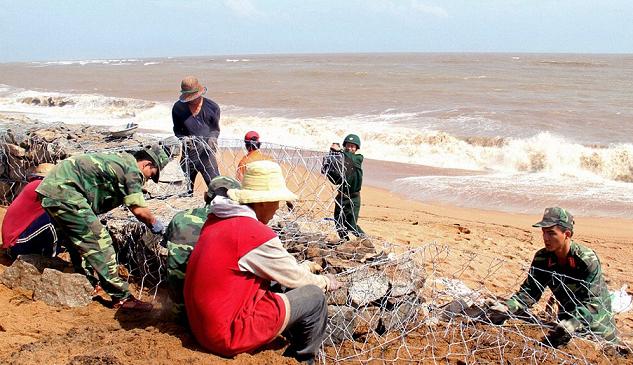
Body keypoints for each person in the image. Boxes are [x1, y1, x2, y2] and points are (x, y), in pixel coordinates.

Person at [184, 160, 340, 364]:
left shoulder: (217, 219)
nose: (277, 208)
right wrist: (326, 281)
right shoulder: (253, 234)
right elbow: (294, 278)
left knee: (275, 285)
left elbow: (272, 267)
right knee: (314, 297)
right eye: (276, 201)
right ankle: (303, 359)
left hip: (199, 327)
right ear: (263, 201)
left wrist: (302, 267)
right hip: (225, 335)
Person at [35, 144, 170, 311]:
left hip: (53, 190)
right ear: (146, 165)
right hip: (66, 193)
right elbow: (139, 210)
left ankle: (86, 283)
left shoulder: (120, 161)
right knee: (100, 242)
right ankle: (122, 298)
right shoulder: (132, 170)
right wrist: (156, 224)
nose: (148, 180)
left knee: (77, 241)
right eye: (151, 175)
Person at [487, 207, 617, 347]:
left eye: (551, 233)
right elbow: (530, 292)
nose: (545, 238)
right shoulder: (542, 258)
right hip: (564, 326)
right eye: (543, 232)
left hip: (597, 330)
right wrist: (508, 307)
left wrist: (573, 323)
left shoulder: (586, 260)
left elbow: (593, 304)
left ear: (566, 234)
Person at [165, 175, 241, 324]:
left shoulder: (179, 218)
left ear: (206, 195)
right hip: (207, 314)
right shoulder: (231, 226)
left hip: (177, 309)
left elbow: (170, 250)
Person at [2, 163, 62, 258]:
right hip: (17, 245)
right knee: (52, 220)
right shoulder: (40, 185)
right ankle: (51, 258)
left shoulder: (32, 185)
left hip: (14, 244)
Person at [172, 76, 221, 192]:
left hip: (207, 155)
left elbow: (215, 129)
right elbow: (177, 130)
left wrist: (213, 138)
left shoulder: (212, 107)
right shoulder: (178, 108)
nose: (191, 100)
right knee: (184, 190)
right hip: (188, 154)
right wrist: (184, 139)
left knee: (216, 188)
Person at [321, 134, 365, 240]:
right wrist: (331, 156)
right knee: (338, 222)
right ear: (345, 146)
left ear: (356, 149)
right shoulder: (340, 162)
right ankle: (344, 241)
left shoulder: (358, 158)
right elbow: (334, 179)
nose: (350, 148)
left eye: (352, 146)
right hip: (341, 196)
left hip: (353, 199)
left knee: (351, 224)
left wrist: (340, 151)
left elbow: (350, 159)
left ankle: (365, 240)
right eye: (348, 146)